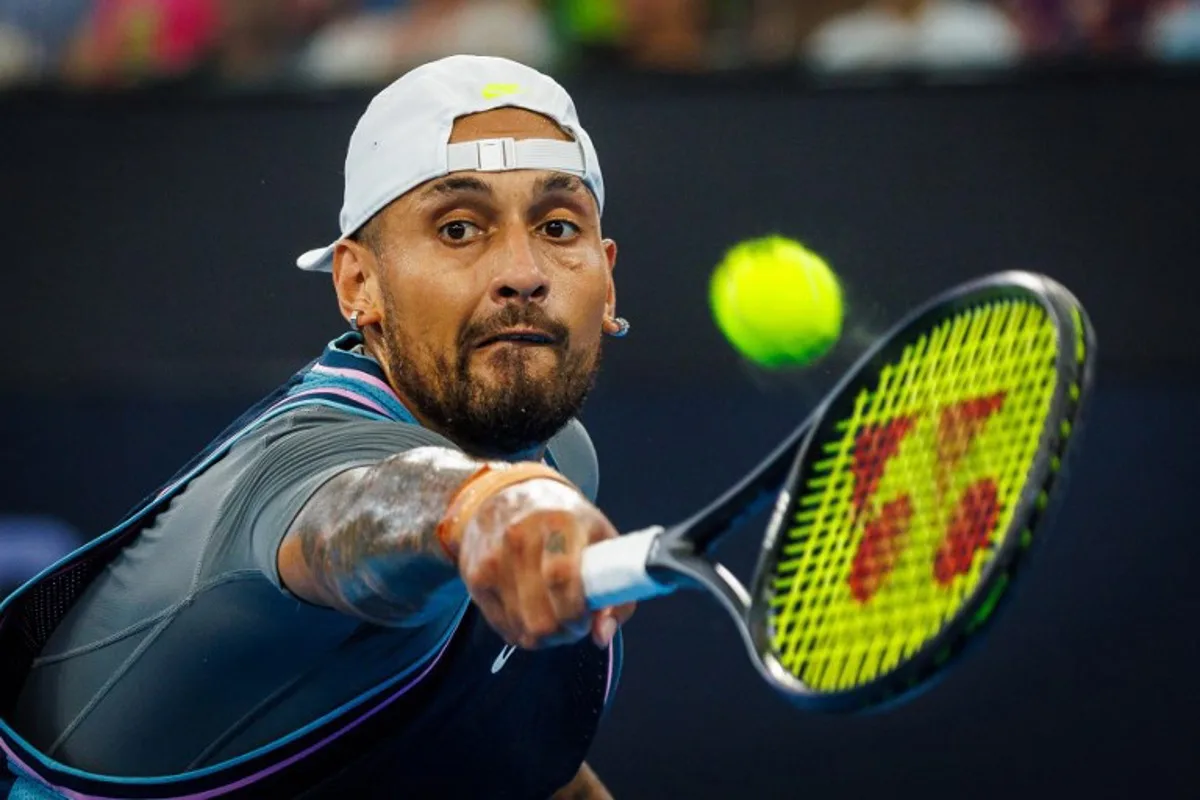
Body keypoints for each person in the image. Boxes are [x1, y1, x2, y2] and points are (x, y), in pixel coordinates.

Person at [0, 54, 635, 799]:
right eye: (459, 229)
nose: (523, 271)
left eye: (559, 226)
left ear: (607, 279)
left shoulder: (560, 458)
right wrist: (488, 507)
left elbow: (518, 765)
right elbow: (372, 511)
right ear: (357, 284)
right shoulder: (301, 471)